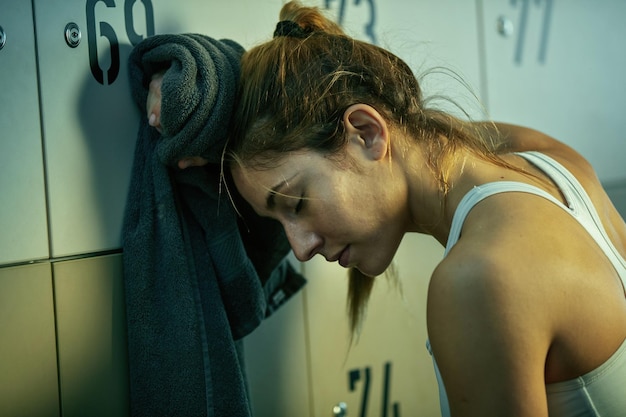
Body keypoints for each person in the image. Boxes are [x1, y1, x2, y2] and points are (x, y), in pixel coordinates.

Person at [146, 2, 626, 416]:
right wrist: (214, 111)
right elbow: (417, 125)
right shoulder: (542, 161)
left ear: (367, 134)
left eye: (295, 202)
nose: (300, 248)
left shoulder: (480, 279)